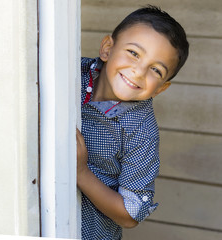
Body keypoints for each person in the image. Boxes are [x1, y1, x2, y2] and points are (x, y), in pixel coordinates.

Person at [76, 5, 189, 239]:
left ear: (160, 89)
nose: (138, 72)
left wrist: (81, 172)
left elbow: (130, 215)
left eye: (156, 70)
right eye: (134, 53)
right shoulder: (71, 72)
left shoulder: (141, 132)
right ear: (107, 48)